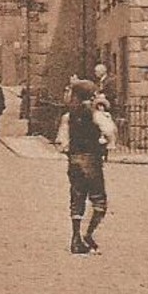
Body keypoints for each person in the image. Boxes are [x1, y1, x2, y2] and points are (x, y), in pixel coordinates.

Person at [56, 74, 114, 255]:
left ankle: (75, 239)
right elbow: (110, 131)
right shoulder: (96, 115)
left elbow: (61, 142)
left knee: (77, 199)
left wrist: (71, 149)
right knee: (99, 200)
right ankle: (88, 235)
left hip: (74, 160)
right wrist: (106, 142)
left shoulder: (68, 116)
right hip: (91, 160)